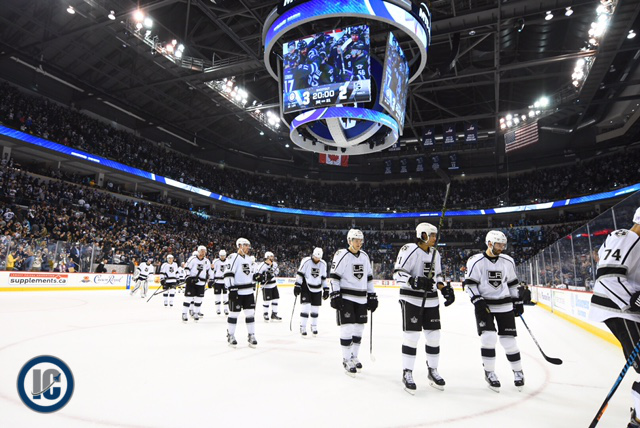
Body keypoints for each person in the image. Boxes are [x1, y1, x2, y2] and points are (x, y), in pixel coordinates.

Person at [589, 207, 640, 427]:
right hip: (619, 309)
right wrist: (635, 300)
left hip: (628, 309)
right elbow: (608, 276)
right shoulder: (625, 237)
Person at [393, 223, 455, 394]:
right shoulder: (409, 249)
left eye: (435, 235)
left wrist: (444, 289)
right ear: (422, 235)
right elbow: (398, 273)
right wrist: (414, 281)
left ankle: (432, 370)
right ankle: (407, 372)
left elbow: (438, 276)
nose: (435, 238)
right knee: (412, 337)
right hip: (411, 299)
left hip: (431, 300)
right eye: (432, 235)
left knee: (434, 337)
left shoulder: (436, 253)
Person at [464, 230, 524, 392]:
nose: (501, 248)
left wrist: (517, 300)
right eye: (498, 245)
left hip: (504, 305)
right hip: (485, 305)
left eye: (503, 245)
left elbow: (512, 283)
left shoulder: (508, 261)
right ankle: (489, 373)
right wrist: (477, 300)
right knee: (488, 338)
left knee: (509, 341)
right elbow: (469, 284)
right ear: (489, 243)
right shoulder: (476, 261)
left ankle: (518, 371)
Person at [329, 229, 377, 376]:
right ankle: (346, 358)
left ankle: (354, 356)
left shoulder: (364, 256)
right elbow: (334, 277)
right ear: (349, 240)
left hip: (361, 298)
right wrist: (334, 294)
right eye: (356, 240)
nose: (359, 243)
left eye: (360, 240)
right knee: (347, 328)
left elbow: (369, 278)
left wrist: (372, 295)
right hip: (347, 297)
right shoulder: (342, 254)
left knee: (359, 329)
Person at [224, 238, 258, 348]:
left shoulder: (248, 259)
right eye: (246, 245)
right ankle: (231, 334)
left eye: (248, 245)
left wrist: (257, 277)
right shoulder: (233, 257)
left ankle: (251, 335)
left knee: (250, 314)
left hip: (248, 292)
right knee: (234, 314)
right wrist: (231, 288)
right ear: (240, 246)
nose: (248, 247)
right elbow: (228, 273)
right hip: (237, 291)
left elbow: (250, 274)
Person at [294, 247, 329, 337]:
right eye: (315, 257)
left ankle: (314, 326)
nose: (317, 259)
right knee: (305, 308)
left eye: (318, 258)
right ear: (313, 255)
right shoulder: (306, 261)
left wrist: (326, 289)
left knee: (315, 309)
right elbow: (300, 274)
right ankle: (302, 326)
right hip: (306, 286)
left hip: (317, 288)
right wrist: (297, 285)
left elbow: (323, 278)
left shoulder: (323, 264)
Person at [182, 246, 211, 322]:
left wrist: (211, 279)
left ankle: (196, 313)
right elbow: (186, 268)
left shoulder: (207, 261)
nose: (202, 253)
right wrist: (188, 277)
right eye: (201, 251)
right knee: (188, 298)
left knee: (199, 299)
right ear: (198, 251)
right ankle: (184, 313)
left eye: (204, 251)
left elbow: (209, 271)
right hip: (192, 282)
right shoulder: (192, 259)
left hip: (201, 283)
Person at [255, 251, 281, 322]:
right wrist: (264, 276)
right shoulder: (262, 265)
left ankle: (274, 314)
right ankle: (265, 314)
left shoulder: (274, 264)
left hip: (274, 284)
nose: (272, 258)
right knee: (267, 301)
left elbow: (277, 272)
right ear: (267, 257)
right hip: (266, 286)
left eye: (272, 256)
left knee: (276, 299)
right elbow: (257, 276)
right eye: (271, 256)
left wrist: (272, 268)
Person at [211, 250, 229, 315]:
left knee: (225, 296)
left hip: (225, 281)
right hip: (217, 281)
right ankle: (218, 309)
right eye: (221, 256)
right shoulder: (215, 261)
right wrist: (211, 279)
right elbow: (212, 271)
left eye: (223, 256)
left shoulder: (228, 261)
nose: (222, 257)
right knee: (217, 296)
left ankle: (226, 309)